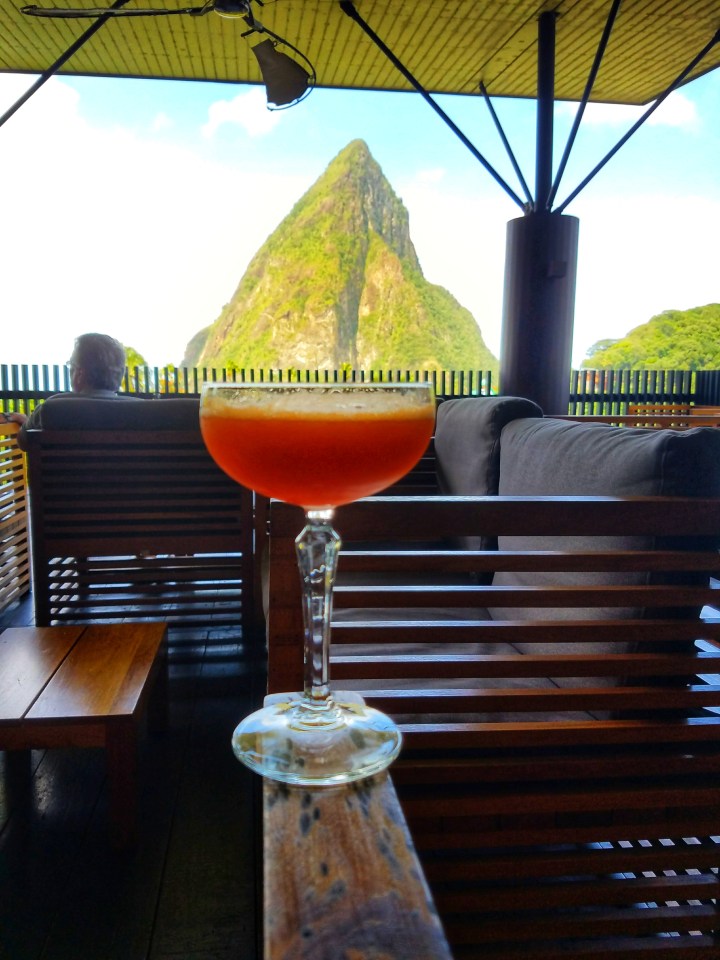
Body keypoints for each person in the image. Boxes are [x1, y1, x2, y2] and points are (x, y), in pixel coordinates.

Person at [7, 333, 130, 447]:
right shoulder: (140, 413)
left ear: (80, 373)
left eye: (71, 365)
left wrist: (30, 422)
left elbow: (23, 442)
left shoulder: (49, 410)